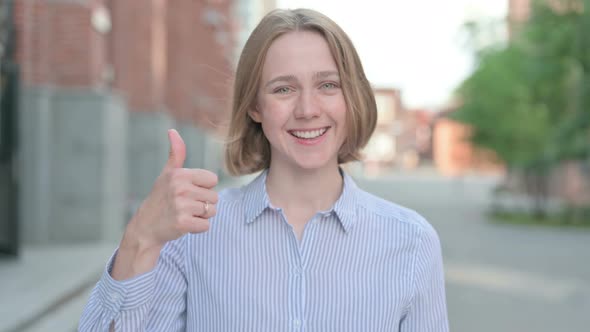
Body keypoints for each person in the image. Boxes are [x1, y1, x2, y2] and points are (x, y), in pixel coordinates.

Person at [79, 8, 448, 332]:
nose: (307, 109)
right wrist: (140, 238)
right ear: (255, 106)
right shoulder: (192, 235)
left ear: (351, 98)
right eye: (283, 89)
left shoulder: (412, 242)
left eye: (328, 85)